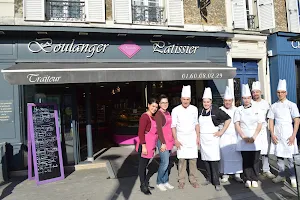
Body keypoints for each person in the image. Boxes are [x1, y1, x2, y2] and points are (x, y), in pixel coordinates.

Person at [268, 79, 300, 188]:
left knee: (290, 157)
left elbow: (297, 120)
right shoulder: (273, 106)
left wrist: (293, 135)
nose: (280, 94)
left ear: (286, 93)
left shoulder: (292, 105)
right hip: (278, 132)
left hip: (288, 132)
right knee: (279, 156)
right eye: (278, 92)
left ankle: (293, 177)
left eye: (282, 92)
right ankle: (281, 175)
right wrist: (272, 133)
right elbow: (271, 120)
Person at [199, 87, 231, 191]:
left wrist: (221, 131)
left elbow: (228, 119)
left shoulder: (216, 110)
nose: (206, 104)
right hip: (203, 139)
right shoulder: (200, 110)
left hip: (213, 139)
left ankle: (216, 182)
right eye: (204, 102)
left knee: (214, 161)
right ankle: (208, 178)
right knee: (205, 160)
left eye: (208, 102)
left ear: (211, 102)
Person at [234, 84, 263, 188]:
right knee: (246, 160)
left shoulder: (257, 109)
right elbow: (237, 124)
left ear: (251, 98)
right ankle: (247, 178)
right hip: (243, 138)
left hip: (255, 137)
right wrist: (243, 136)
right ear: (242, 99)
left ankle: (254, 178)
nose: (246, 100)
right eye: (244, 98)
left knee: (255, 159)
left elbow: (260, 124)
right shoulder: (239, 110)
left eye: (248, 98)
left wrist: (254, 137)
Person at [171, 85, 200, 189]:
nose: (186, 101)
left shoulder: (194, 109)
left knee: (193, 160)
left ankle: (193, 180)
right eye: (184, 99)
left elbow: (196, 123)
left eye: (187, 99)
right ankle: (181, 180)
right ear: (180, 99)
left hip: (192, 138)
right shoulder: (175, 110)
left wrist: (198, 137)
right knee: (182, 161)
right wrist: (176, 140)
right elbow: (173, 126)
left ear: (190, 100)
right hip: (181, 138)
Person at [251, 81, 275, 178]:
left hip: (264, 131)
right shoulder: (250, 103)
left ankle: (266, 169)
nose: (255, 94)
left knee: (265, 151)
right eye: (254, 92)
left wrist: (271, 131)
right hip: (254, 130)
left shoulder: (266, 104)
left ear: (260, 92)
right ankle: (254, 170)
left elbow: (270, 118)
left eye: (257, 92)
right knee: (254, 152)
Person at [219, 86, 243, 183]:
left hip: (235, 135)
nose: (227, 102)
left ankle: (237, 174)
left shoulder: (237, 109)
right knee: (224, 155)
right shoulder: (219, 109)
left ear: (232, 100)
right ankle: (225, 174)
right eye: (226, 101)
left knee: (237, 155)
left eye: (229, 100)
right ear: (223, 101)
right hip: (224, 136)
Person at [135, 98, 159, 195]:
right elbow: (141, 132)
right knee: (142, 166)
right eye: (153, 106)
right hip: (144, 146)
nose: (154, 108)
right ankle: (143, 185)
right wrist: (144, 146)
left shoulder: (153, 117)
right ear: (148, 105)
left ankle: (145, 182)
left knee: (145, 165)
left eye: (156, 107)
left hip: (151, 146)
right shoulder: (145, 117)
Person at [154, 94, 175, 191]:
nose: (165, 104)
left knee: (168, 162)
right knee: (164, 162)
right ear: (159, 104)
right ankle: (159, 182)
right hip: (163, 141)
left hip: (169, 140)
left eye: (166, 102)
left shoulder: (168, 113)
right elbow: (159, 130)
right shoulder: (159, 114)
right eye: (162, 102)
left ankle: (165, 181)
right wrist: (163, 143)